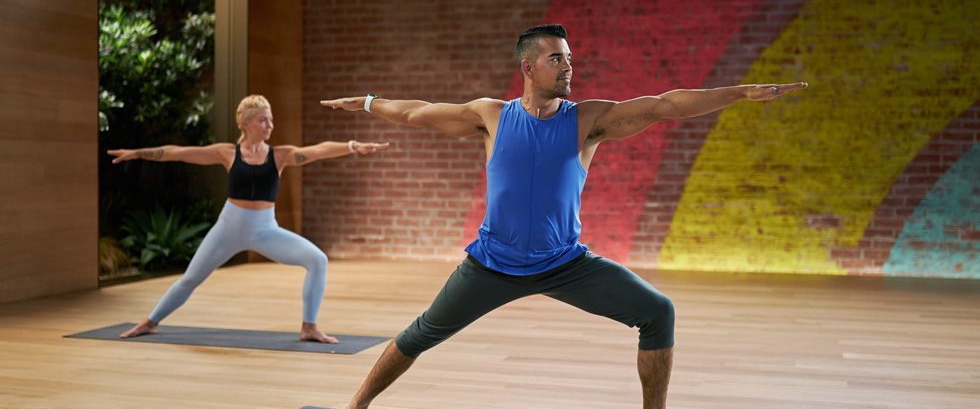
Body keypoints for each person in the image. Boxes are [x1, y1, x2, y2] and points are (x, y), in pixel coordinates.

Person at [321, 24, 807, 408]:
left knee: (658, 313)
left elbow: (665, 106)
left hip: (564, 264)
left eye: (570, 58)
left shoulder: (587, 121)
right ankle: (357, 404)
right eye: (558, 58)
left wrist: (738, 93)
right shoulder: (490, 115)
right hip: (492, 265)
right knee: (419, 334)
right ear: (528, 68)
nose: (569, 67)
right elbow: (415, 112)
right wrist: (365, 101)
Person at [109, 94, 390, 343]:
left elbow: (318, 150)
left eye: (270, 121)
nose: (269, 126)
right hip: (228, 229)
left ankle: (309, 327)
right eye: (263, 121)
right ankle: (150, 322)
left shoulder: (280, 156)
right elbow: (177, 154)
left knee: (317, 260)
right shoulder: (227, 152)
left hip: (265, 231)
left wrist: (353, 146)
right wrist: (137, 154)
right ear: (244, 123)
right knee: (190, 279)